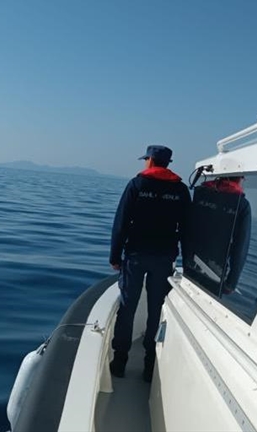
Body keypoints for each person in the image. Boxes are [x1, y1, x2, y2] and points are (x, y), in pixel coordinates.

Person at [109, 145, 190, 382]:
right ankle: (149, 365)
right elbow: (188, 229)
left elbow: (121, 222)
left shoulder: (137, 185)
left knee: (128, 308)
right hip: (164, 258)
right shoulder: (181, 190)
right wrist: (187, 261)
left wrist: (115, 256)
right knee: (156, 310)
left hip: (135, 255)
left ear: (151, 161)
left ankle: (120, 362)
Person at [183, 176, 252, 296]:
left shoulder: (201, 193)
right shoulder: (242, 205)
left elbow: (187, 229)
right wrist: (231, 283)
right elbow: (240, 248)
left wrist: (186, 260)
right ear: (239, 179)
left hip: (191, 266)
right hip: (214, 276)